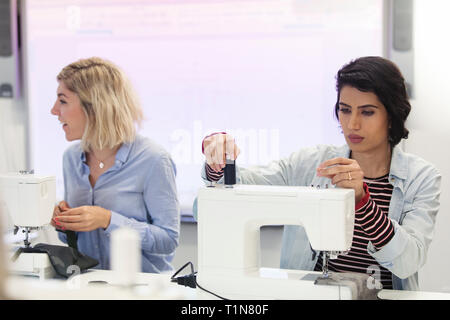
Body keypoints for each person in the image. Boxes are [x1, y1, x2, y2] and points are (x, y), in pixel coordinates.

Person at [199, 56, 441, 291]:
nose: (352, 124)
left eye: (367, 112)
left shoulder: (421, 178)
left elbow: (408, 261)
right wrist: (218, 163)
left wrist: (363, 202)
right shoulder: (312, 163)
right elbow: (241, 185)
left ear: (392, 115)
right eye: (345, 110)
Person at [50, 57, 180, 273]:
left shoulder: (154, 159)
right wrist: (65, 223)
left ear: (94, 107)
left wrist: (108, 220)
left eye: (63, 101)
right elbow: (71, 241)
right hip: (89, 284)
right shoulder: (71, 158)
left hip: (143, 289)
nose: (54, 110)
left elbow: (168, 240)